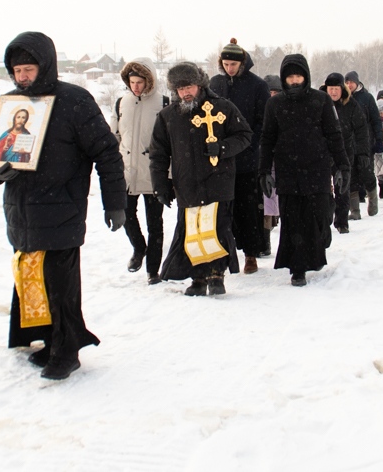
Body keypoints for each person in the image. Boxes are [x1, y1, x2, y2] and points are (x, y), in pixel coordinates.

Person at [0, 31, 126, 381]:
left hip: (62, 208)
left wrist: (115, 203)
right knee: (32, 279)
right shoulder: (7, 106)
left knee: (60, 286)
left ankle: (66, 352)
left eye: (29, 69)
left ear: (45, 66)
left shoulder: (74, 101)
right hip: (21, 211)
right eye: (17, 71)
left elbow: (106, 153)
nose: (23, 77)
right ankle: (48, 340)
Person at [149, 62, 253, 296]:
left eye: (189, 87)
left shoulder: (223, 107)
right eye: (180, 89)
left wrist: (223, 147)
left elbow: (244, 135)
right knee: (193, 232)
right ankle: (198, 277)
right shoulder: (168, 116)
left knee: (216, 229)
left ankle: (216, 274)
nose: (185, 93)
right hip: (187, 183)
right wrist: (160, 185)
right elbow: (158, 154)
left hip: (218, 181)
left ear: (200, 84)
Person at [259, 54, 349, 287]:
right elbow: (267, 139)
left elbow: (334, 135)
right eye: (290, 77)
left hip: (317, 169)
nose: (294, 81)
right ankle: (297, 269)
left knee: (319, 216)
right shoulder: (275, 104)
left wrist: (343, 166)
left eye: (298, 76)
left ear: (306, 76)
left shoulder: (321, 100)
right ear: (284, 79)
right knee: (293, 222)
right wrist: (264, 171)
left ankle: (319, 243)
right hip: (287, 171)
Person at [209, 39, 270, 275]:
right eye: (225, 64)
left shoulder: (257, 85)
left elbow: (262, 121)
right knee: (224, 210)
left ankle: (251, 254)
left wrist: (248, 145)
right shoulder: (215, 83)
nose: (229, 68)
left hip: (247, 158)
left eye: (233, 64)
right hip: (220, 159)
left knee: (249, 208)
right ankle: (225, 253)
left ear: (242, 63)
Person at [112, 57, 168, 285]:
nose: (135, 87)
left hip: (153, 173)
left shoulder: (163, 103)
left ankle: (153, 270)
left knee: (155, 223)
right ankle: (139, 248)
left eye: (140, 82)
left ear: (149, 81)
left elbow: (170, 143)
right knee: (126, 215)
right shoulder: (121, 103)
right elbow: (114, 136)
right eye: (132, 82)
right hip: (127, 172)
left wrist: (168, 175)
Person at [321, 72, 370, 233]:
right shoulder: (320, 102)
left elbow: (361, 130)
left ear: (342, 89)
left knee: (342, 187)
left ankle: (341, 222)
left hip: (344, 151)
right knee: (322, 187)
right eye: (331, 89)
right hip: (323, 151)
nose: (333, 92)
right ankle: (326, 216)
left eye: (337, 89)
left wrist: (363, 153)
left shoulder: (351, 105)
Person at [344, 71, 383, 217]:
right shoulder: (343, 99)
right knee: (351, 177)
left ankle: (373, 204)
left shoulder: (367, 98)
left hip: (365, 142)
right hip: (348, 144)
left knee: (367, 173)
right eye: (346, 82)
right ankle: (355, 211)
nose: (349, 85)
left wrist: (379, 140)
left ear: (357, 83)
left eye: (351, 82)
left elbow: (376, 120)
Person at [260, 74, 283, 257]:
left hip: (284, 161)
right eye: (269, 92)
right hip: (263, 161)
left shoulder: (287, 109)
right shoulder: (260, 111)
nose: (272, 96)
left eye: (276, 92)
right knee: (266, 200)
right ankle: (265, 242)